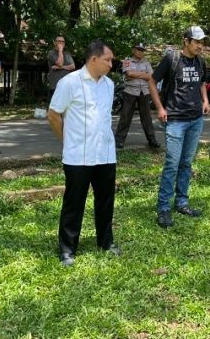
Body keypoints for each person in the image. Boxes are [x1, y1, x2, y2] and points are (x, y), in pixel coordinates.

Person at [47, 40, 121, 267]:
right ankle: (68, 249)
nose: (111, 64)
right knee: (74, 203)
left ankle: (106, 242)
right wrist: (68, 141)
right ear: (94, 59)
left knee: (106, 201)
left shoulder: (108, 84)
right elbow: (53, 114)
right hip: (78, 155)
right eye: (108, 60)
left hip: (106, 153)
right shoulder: (70, 82)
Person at [147, 26, 210, 228]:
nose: (200, 45)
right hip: (175, 120)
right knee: (172, 165)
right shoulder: (171, 59)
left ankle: (182, 202)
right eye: (197, 41)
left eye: (202, 42)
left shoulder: (200, 61)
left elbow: (201, 82)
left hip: (196, 119)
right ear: (186, 40)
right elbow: (152, 81)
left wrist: (205, 100)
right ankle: (163, 208)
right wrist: (159, 108)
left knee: (186, 163)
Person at [114, 42, 160, 149]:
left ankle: (152, 140)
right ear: (133, 50)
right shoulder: (127, 61)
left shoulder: (147, 63)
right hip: (130, 92)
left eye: (142, 50)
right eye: (138, 49)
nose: (140, 52)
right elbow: (129, 74)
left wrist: (136, 75)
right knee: (125, 117)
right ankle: (119, 140)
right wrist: (144, 75)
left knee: (147, 118)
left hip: (144, 92)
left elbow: (152, 76)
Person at [47, 36, 76, 101]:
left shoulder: (67, 54)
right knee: (55, 109)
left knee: (66, 109)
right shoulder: (51, 53)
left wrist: (60, 67)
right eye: (59, 41)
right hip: (55, 86)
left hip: (66, 86)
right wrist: (60, 50)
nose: (61, 43)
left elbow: (73, 66)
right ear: (55, 43)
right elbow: (60, 63)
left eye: (63, 41)